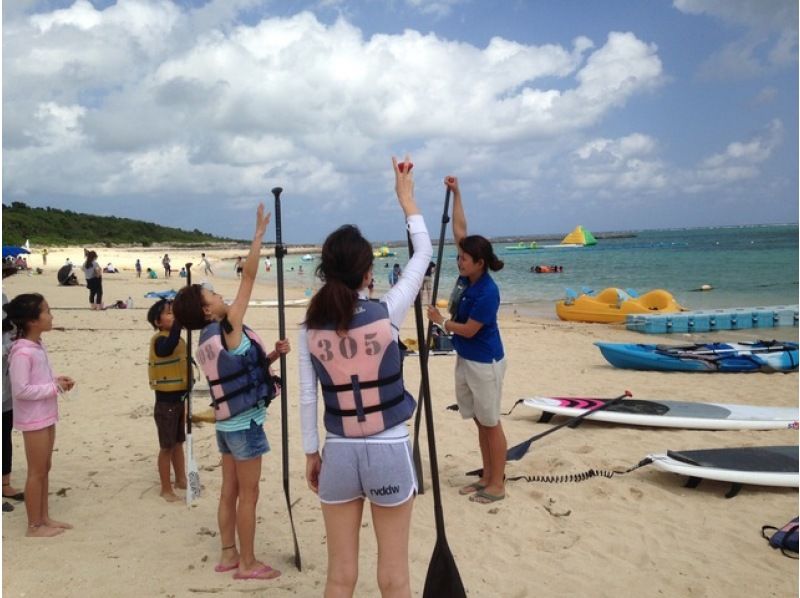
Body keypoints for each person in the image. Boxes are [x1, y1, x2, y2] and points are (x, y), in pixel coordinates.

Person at [299, 156, 431, 597]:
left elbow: (306, 397)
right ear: (367, 273)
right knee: (394, 578)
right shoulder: (387, 312)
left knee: (339, 577)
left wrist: (310, 454)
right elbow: (424, 254)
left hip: (338, 454)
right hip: (389, 450)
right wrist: (406, 199)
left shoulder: (310, 326)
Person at [173, 204, 288, 582]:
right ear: (208, 312)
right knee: (248, 495)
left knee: (229, 490)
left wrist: (272, 355)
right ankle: (248, 563)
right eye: (210, 294)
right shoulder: (227, 325)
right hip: (244, 424)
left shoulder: (206, 339)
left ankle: (228, 554)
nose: (217, 293)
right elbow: (250, 278)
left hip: (226, 424)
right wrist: (258, 236)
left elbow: (239, 368)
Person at [427, 176, 507, 505]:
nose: (459, 260)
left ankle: (497, 485)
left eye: (464, 258)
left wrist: (441, 322)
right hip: (466, 358)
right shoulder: (467, 276)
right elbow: (461, 229)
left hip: (485, 360)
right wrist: (457, 193)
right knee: (478, 420)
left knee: (491, 423)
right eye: (460, 257)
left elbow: (471, 329)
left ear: (480, 263)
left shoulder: (488, 291)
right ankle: (486, 477)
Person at [6, 293, 76, 536]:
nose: (51, 315)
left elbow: (39, 380)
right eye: (46, 311)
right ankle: (33, 526)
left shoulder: (36, 346)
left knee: (45, 467)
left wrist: (57, 381)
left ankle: (44, 517)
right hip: (33, 419)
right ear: (32, 320)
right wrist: (53, 388)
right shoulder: (21, 352)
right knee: (36, 471)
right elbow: (21, 389)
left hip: (46, 415)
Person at [147, 299, 188, 502]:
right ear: (158, 321)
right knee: (167, 446)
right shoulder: (160, 341)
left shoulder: (177, 338)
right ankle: (166, 488)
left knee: (179, 442)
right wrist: (179, 323)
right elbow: (169, 346)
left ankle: (181, 479)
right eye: (169, 314)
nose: (174, 317)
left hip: (180, 399)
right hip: (165, 404)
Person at [2, 267, 24, 513]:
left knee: (5, 429)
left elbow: (7, 331)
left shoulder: (3, 296)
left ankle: (5, 482)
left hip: (5, 376)